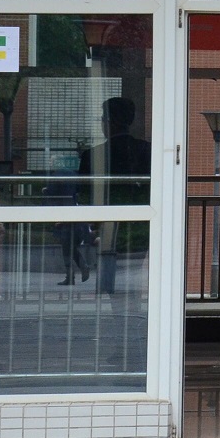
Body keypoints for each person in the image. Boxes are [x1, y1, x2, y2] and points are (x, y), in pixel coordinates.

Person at [78, 96, 151, 296]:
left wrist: (92, 225)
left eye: (103, 118)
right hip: (140, 226)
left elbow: (84, 195)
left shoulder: (92, 155)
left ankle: (117, 308)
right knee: (133, 275)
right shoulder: (146, 151)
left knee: (109, 272)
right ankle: (131, 307)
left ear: (110, 122)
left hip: (106, 227)